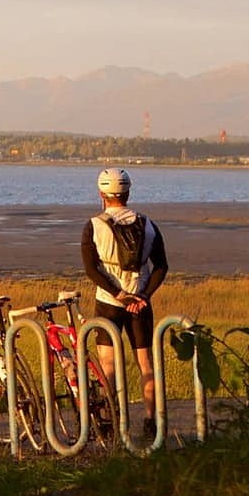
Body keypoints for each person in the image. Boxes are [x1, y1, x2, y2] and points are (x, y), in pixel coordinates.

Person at [81, 167, 168, 439]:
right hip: (140, 303)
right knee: (146, 364)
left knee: (108, 365)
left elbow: (92, 270)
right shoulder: (148, 224)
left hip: (108, 302)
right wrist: (142, 296)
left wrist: (118, 294)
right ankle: (151, 421)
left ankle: (111, 419)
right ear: (128, 192)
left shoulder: (94, 225)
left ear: (101, 194)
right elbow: (161, 266)